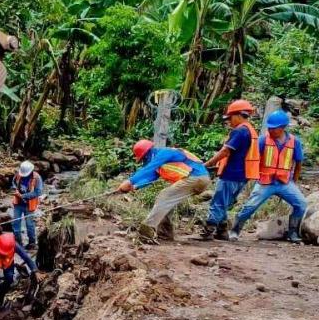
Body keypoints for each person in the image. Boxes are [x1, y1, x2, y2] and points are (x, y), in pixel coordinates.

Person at [229, 110, 307, 243]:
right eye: (269, 127)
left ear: (282, 128)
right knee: (250, 207)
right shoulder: (263, 140)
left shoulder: (295, 142)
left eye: (273, 128)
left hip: (284, 182)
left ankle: (293, 232)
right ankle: (235, 230)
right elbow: (252, 160)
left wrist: (294, 181)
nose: (270, 130)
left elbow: (298, 162)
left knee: (301, 204)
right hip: (265, 182)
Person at [117, 140, 211, 243]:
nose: (144, 162)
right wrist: (135, 186)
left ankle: (146, 232)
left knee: (164, 196)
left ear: (148, 153)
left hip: (196, 177)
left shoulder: (164, 153)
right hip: (197, 179)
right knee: (166, 200)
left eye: (144, 159)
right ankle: (165, 233)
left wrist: (129, 181)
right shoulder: (160, 163)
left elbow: (149, 168)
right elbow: (151, 177)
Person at [200, 100, 260, 240]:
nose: (229, 122)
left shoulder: (239, 131)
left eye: (230, 118)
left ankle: (209, 230)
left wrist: (207, 164)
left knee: (219, 201)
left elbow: (225, 152)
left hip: (231, 173)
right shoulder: (251, 130)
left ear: (239, 115)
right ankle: (222, 231)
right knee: (225, 202)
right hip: (243, 174)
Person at [0, 233, 41, 310]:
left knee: (9, 279)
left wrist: (35, 271)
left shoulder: (14, 245)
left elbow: (26, 257)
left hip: (8, 262)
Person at [12, 161, 43, 250]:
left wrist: (23, 196)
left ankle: (32, 244)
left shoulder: (37, 178)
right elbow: (13, 182)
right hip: (18, 203)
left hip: (30, 205)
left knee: (29, 225)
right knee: (16, 224)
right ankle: (18, 244)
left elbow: (38, 192)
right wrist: (15, 189)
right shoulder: (18, 174)